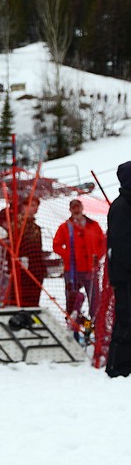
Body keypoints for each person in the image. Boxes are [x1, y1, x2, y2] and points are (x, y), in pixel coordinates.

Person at [52, 198, 106, 320]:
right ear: (70, 210)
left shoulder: (94, 225)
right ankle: (73, 323)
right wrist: (69, 256)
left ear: (82, 208)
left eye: (78, 207)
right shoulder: (65, 227)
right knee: (72, 300)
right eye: (73, 208)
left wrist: (97, 256)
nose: (76, 210)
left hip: (90, 270)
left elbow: (102, 243)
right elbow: (56, 245)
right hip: (72, 271)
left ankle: (95, 324)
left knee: (95, 300)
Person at [106, 161, 131, 378]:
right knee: (126, 320)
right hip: (125, 277)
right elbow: (121, 245)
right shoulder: (122, 206)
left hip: (125, 274)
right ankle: (117, 366)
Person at [9, 195, 46, 307]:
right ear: (24, 207)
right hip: (22, 269)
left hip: (36, 268)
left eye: (36, 206)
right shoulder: (17, 224)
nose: (35, 209)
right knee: (22, 299)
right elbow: (13, 245)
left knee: (33, 299)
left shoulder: (36, 228)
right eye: (32, 205)